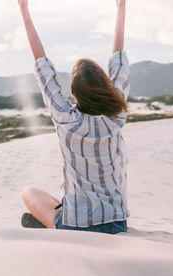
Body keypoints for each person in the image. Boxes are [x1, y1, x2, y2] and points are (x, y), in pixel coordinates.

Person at [18, 0, 130, 234]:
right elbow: (119, 62)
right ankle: (58, 215)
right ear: (105, 86)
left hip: (76, 225)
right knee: (56, 200)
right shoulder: (116, 115)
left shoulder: (66, 120)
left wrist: (24, 11)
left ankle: (52, 224)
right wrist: (121, 8)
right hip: (117, 223)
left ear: (74, 92)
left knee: (30, 192)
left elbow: (43, 69)